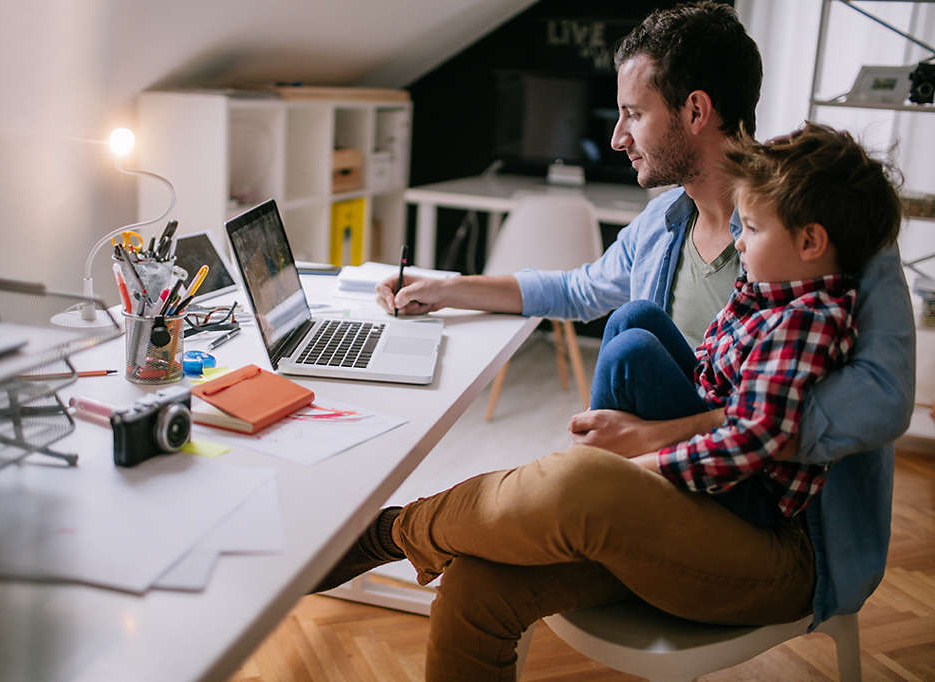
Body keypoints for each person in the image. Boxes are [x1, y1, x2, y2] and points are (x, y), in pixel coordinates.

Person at [314, 3, 914, 679]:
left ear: (695, 111)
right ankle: (436, 524)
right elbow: (574, 289)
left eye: (634, 112)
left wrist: (671, 434)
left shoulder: (824, 226)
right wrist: (447, 286)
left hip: (783, 533)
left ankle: (392, 531)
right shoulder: (664, 221)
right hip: (676, 493)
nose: (620, 135)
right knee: (478, 585)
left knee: (581, 479)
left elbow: (884, 401)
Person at [589, 122, 901, 532]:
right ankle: (594, 466)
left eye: (752, 229)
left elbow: (748, 439)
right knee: (635, 318)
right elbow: (710, 364)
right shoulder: (764, 292)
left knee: (632, 352)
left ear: (810, 243)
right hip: (722, 436)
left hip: (751, 487)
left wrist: (641, 466)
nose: (739, 241)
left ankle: (593, 483)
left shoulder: (805, 320)